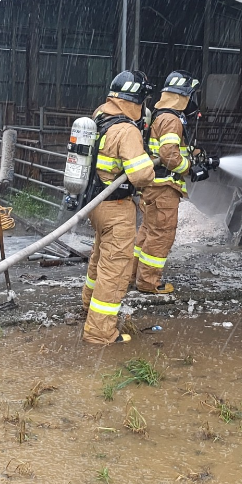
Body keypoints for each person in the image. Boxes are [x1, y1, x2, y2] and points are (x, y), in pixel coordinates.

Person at [81, 71, 156, 344]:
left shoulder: (99, 116)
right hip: (117, 206)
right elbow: (140, 175)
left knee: (99, 259)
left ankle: (88, 305)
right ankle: (100, 332)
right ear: (135, 99)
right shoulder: (127, 129)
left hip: (95, 204)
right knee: (116, 270)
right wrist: (149, 164)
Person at [131, 70, 209, 294]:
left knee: (147, 233)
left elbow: (170, 149)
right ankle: (148, 283)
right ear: (183, 95)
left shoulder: (161, 115)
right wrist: (190, 169)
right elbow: (168, 154)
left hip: (154, 187)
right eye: (191, 95)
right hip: (164, 188)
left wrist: (195, 154)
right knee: (161, 235)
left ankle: (133, 276)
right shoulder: (172, 119)